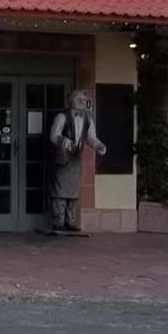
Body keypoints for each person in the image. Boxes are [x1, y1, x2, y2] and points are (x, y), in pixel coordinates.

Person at [46, 89, 107, 233]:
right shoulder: (62, 117)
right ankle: (58, 221)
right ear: (71, 100)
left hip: (76, 159)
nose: (81, 101)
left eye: (83, 98)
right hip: (63, 158)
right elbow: (54, 135)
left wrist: (99, 145)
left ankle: (71, 221)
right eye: (78, 98)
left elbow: (90, 137)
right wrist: (67, 143)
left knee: (73, 192)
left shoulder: (88, 119)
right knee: (60, 191)